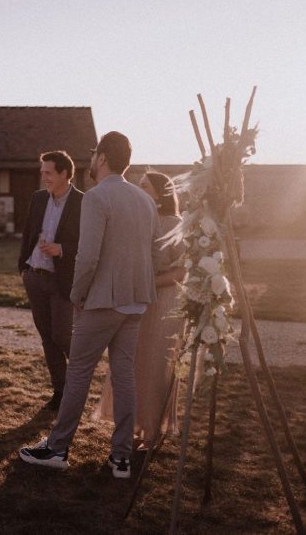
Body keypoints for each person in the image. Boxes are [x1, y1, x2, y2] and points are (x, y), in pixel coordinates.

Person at [19, 131, 162, 479]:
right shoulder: (145, 201)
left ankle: (57, 447)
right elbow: (153, 253)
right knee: (124, 375)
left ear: (102, 158)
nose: (92, 158)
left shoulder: (97, 197)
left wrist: (77, 295)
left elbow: (88, 256)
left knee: (79, 373)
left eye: (95, 153)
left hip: (100, 301)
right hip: (136, 300)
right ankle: (121, 457)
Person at [94, 170, 186, 448]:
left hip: (163, 304)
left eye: (145, 186)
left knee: (156, 366)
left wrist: (145, 283)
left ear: (161, 195)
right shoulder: (136, 221)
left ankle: (153, 431)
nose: (139, 190)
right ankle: (132, 426)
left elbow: (181, 271)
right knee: (132, 363)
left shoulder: (175, 224)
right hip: (134, 302)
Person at [18, 150, 84, 411]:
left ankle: (78, 385)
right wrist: (23, 266)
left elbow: (90, 242)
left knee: (62, 336)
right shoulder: (37, 199)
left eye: (48, 172)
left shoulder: (83, 202)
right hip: (34, 276)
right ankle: (60, 392)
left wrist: (62, 249)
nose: (43, 176)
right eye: (42, 171)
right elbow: (28, 234)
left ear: (64, 174)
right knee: (47, 337)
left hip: (62, 280)